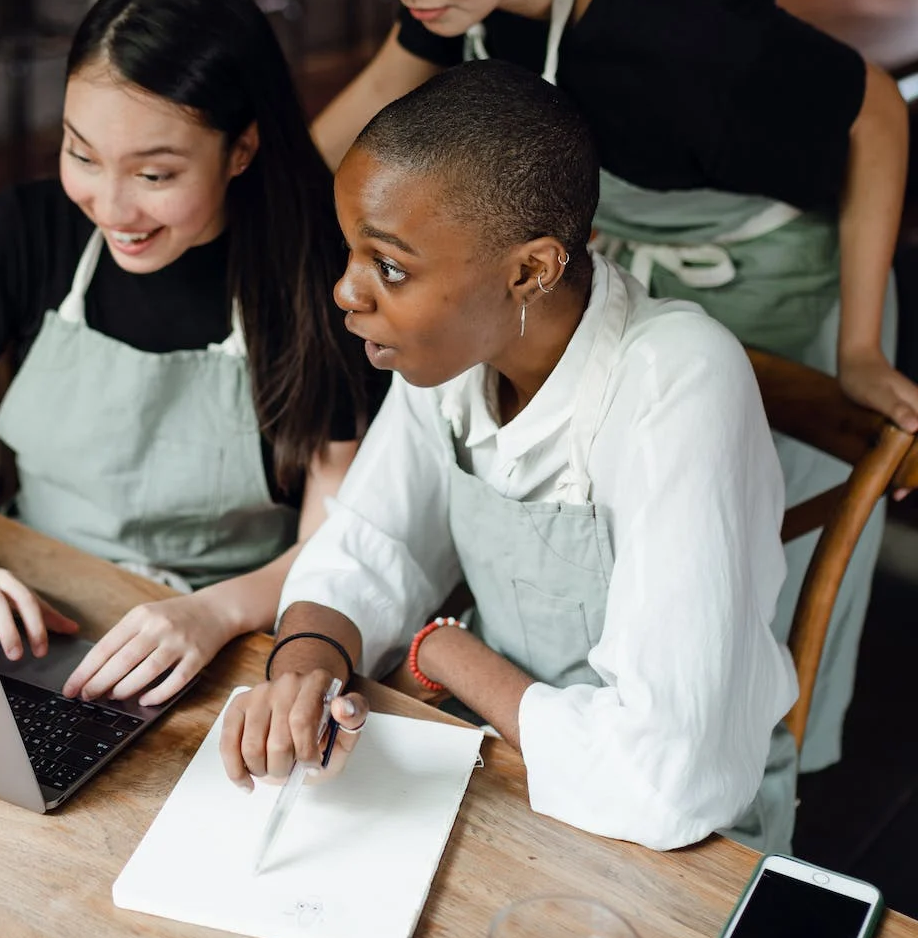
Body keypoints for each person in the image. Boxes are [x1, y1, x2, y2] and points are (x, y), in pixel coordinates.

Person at [307, 0, 917, 773]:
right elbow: (356, 119)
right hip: (615, 259)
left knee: (720, 585)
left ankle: (740, 796)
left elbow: (874, 108)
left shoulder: (687, 33)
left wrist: (859, 344)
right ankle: (572, 729)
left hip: (764, 265)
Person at [221, 60, 798, 854]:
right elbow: (369, 544)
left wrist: (447, 652)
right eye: (351, 251)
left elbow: (664, 780)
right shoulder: (454, 350)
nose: (346, 292)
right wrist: (303, 667)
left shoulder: (678, 381)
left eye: (388, 266)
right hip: (506, 774)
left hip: (689, 853)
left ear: (530, 269)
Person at [0, 0, 376, 705]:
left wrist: (215, 612)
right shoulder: (25, 232)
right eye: (82, 155)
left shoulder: (320, 278)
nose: (111, 206)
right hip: (28, 607)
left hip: (223, 639)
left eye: (154, 174)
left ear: (240, 150)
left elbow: (331, 543)